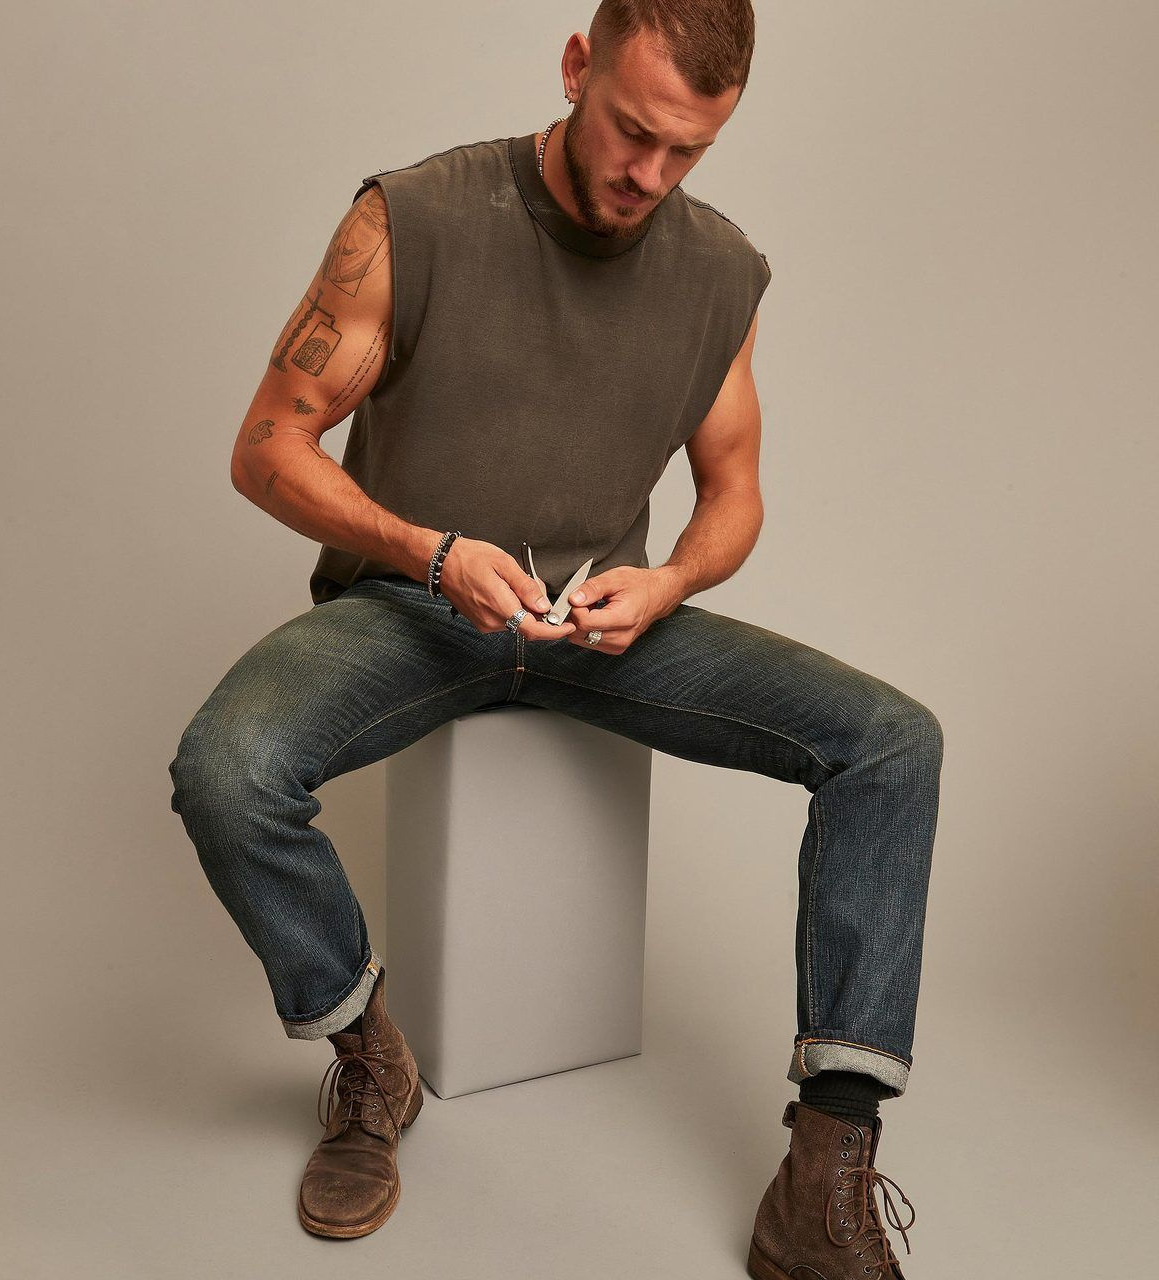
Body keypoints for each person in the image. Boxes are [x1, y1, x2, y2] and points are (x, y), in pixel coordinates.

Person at [168, 3, 941, 1273]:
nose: (648, 173)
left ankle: (821, 1174)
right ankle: (369, 1055)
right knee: (225, 769)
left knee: (892, 742)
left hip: (600, 624)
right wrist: (427, 550)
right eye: (632, 130)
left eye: (685, 150)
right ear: (578, 67)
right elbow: (266, 448)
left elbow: (734, 491)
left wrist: (667, 580)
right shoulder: (412, 217)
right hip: (410, 606)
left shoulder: (719, 271)